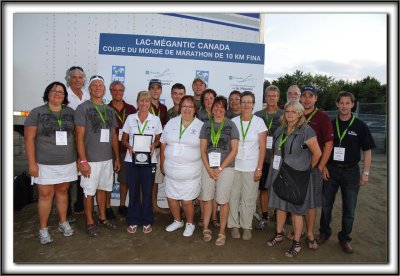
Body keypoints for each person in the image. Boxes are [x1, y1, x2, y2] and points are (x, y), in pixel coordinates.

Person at [318, 91, 375, 254]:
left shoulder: (360, 125)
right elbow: (323, 146)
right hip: (331, 170)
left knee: (349, 209)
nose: (344, 106)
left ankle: (344, 238)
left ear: (352, 104)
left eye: (347, 103)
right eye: (341, 103)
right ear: (337, 104)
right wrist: (324, 166)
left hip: (351, 172)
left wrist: (366, 173)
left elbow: (368, 151)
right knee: (326, 205)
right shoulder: (330, 123)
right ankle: (324, 232)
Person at [266, 100, 321, 257]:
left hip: (297, 176)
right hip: (279, 174)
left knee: (297, 210)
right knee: (280, 206)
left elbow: (317, 153)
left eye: (293, 111)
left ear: (300, 114)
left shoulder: (306, 130)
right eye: (287, 111)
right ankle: (279, 233)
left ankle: (296, 243)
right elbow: (275, 151)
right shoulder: (280, 129)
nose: (289, 114)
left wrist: (306, 170)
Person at [24, 81, 77, 244]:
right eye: (53, 91)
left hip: (67, 162)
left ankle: (63, 222)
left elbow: (76, 136)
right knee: (45, 195)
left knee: (62, 192)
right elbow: (29, 139)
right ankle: (43, 229)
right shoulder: (37, 112)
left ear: (64, 96)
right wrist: (32, 164)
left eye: (60, 92)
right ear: (47, 93)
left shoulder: (70, 112)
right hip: (45, 163)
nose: (57, 94)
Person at [75, 75, 121, 237]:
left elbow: (114, 135)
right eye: (94, 86)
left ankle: (102, 217)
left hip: (107, 159)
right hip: (91, 160)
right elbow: (79, 137)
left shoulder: (109, 110)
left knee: (102, 189)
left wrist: (116, 157)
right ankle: (89, 222)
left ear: (104, 89)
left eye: (100, 86)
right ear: (89, 89)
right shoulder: (83, 108)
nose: (97, 88)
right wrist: (83, 160)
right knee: (89, 192)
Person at [288, 85, 333, 249]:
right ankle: (296, 232)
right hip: (294, 168)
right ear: (300, 97)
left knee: (311, 203)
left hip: (312, 169)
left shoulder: (322, 117)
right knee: (296, 201)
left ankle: (310, 234)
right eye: (304, 95)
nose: (307, 99)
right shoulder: (294, 114)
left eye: (310, 96)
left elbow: (328, 144)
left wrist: (320, 166)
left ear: (316, 98)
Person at [160, 95, 204, 237]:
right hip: (171, 170)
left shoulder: (201, 126)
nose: (187, 109)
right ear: (180, 107)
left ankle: (190, 223)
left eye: (190, 106)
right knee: (171, 198)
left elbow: (204, 150)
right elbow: (163, 143)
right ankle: (177, 220)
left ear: (195, 109)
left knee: (186, 201)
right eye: (184, 106)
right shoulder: (171, 123)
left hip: (190, 172)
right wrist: (162, 162)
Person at [200, 96, 239, 246]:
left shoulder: (231, 125)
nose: (218, 109)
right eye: (216, 106)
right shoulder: (206, 125)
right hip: (208, 168)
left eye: (221, 107)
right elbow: (203, 150)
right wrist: (210, 169)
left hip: (226, 168)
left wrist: (220, 168)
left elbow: (234, 150)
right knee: (207, 198)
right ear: (212, 108)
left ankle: (222, 232)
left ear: (225, 109)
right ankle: (206, 228)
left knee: (223, 201)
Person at [121, 91, 162, 234]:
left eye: (147, 101)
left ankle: (147, 220)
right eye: (141, 101)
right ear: (137, 102)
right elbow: (124, 139)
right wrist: (129, 147)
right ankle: (133, 219)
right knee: (133, 191)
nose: (144, 104)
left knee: (147, 191)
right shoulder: (130, 118)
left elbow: (159, 139)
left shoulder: (155, 120)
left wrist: (154, 145)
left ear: (150, 103)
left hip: (149, 161)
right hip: (130, 160)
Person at [228, 91, 267, 241]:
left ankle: (247, 226)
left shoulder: (259, 122)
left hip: (251, 167)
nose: (245, 105)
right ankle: (234, 226)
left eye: (249, 102)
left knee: (249, 199)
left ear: (253, 104)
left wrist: (259, 168)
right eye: (243, 101)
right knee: (233, 197)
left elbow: (263, 147)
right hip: (234, 166)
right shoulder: (233, 122)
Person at [254, 85, 284, 230]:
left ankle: (279, 220)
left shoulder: (285, 114)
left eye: (274, 96)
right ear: (265, 97)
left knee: (279, 189)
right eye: (269, 95)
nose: (271, 98)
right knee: (264, 189)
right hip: (263, 158)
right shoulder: (258, 115)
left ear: (278, 98)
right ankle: (265, 217)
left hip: (279, 159)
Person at [107, 81, 137, 218]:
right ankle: (107, 207)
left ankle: (122, 205)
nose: (118, 92)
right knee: (107, 180)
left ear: (123, 92)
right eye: (115, 90)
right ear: (110, 91)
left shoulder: (131, 109)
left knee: (124, 180)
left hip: (125, 149)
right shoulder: (106, 109)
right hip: (108, 149)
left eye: (120, 90)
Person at [65, 66, 90, 221]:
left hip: (85, 140)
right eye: (74, 77)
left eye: (80, 77)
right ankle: (67, 212)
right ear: (68, 79)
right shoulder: (64, 95)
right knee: (68, 177)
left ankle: (80, 205)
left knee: (84, 173)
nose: (77, 80)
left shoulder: (87, 95)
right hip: (68, 141)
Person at [195, 88, 218, 227]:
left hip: (218, 156)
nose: (209, 101)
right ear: (202, 102)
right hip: (202, 154)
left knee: (215, 188)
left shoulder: (221, 113)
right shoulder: (198, 115)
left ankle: (214, 216)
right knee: (204, 188)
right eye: (206, 99)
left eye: (211, 98)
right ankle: (204, 216)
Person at [148, 79, 169, 215]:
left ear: (161, 90)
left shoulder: (163, 108)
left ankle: (154, 206)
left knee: (155, 179)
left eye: (158, 88)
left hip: (158, 148)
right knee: (144, 179)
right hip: (144, 148)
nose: (155, 90)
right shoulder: (144, 104)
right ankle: (145, 207)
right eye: (153, 88)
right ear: (149, 89)